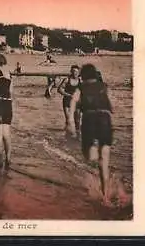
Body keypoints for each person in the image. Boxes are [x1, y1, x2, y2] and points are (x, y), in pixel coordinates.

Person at [68, 64, 114, 205]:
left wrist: (70, 121)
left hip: (90, 119)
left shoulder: (81, 87)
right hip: (105, 120)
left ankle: (94, 154)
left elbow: (73, 101)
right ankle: (106, 197)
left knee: (89, 155)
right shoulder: (104, 86)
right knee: (104, 161)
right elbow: (112, 107)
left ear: (84, 76)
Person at [58, 65, 82, 136]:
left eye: (76, 72)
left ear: (79, 72)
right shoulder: (67, 80)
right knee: (68, 119)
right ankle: (67, 134)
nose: (75, 73)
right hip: (67, 101)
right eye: (73, 71)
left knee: (77, 120)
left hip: (77, 102)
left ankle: (78, 136)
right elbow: (59, 89)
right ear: (71, 72)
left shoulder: (80, 80)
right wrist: (69, 95)